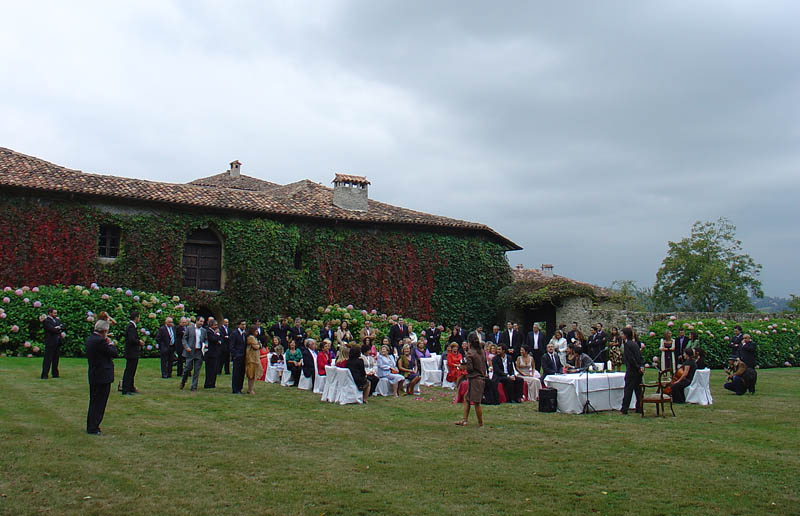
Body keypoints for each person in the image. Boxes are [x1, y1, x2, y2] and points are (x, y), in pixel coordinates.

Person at [85, 319, 117, 435]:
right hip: (102, 375)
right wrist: (110, 343)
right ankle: (94, 427)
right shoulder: (101, 342)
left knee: (94, 401)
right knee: (99, 403)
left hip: (94, 373)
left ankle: (91, 425)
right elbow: (113, 352)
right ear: (104, 330)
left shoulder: (91, 339)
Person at [456, 335, 486, 427]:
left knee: (476, 402)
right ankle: (464, 420)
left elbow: (470, 369)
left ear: (469, 343)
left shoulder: (470, 353)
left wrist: (462, 367)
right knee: (467, 398)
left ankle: (480, 424)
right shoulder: (481, 351)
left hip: (475, 378)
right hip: (481, 378)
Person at [620, 327, 644, 415]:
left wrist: (637, 367)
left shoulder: (627, 345)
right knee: (638, 390)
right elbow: (640, 356)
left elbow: (631, 358)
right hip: (638, 370)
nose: (621, 336)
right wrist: (641, 366)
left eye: (622, 334)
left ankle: (624, 408)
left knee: (628, 390)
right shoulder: (635, 344)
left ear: (626, 335)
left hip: (632, 370)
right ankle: (639, 407)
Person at [180, 316, 207, 392]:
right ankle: (183, 381)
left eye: (203, 322)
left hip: (199, 352)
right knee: (187, 368)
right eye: (200, 321)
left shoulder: (204, 331)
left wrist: (206, 345)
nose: (201, 323)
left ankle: (194, 386)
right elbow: (184, 339)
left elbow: (205, 339)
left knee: (197, 370)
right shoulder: (189, 329)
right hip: (190, 351)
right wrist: (186, 347)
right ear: (197, 321)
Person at [122, 311, 144, 395]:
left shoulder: (132, 326)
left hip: (132, 352)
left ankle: (130, 387)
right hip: (131, 353)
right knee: (129, 371)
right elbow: (131, 339)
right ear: (136, 317)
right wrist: (139, 341)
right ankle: (125, 389)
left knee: (132, 370)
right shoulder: (131, 327)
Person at [41, 307, 64, 379]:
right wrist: (57, 328)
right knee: (48, 359)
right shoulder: (46, 321)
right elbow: (51, 329)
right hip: (50, 342)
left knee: (56, 359)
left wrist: (57, 328)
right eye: (54, 313)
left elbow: (62, 326)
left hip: (57, 342)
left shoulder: (57, 320)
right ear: (50, 313)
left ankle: (55, 374)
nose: (56, 314)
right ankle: (44, 374)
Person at [243, 325, 263, 395]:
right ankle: (250, 389)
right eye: (256, 330)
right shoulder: (251, 337)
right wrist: (259, 345)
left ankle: (250, 388)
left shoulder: (254, 338)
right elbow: (256, 346)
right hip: (251, 358)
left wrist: (259, 345)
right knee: (251, 374)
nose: (257, 332)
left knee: (253, 374)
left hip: (255, 357)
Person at [204, 319, 222, 389]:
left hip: (216, 353)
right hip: (210, 353)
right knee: (210, 369)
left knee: (214, 369)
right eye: (215, 325)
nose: (216, 326)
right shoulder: (208, 332)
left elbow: (220, 340)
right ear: (211, 325)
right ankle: (208, 383)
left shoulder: (214, 332)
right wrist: (217, 335)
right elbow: (213, 339)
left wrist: (218, 339)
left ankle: (212, 383)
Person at [230, 320, 247, 394]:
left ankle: (240, 388)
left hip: (243, 356)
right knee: (236, 373)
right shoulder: (234, 334)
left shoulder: (244, 334)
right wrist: (235, 355)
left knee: (241, 373)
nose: (244, 326)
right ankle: (235, 388)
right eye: (242, 324)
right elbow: (231, 346)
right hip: (237, 356)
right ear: (239, 325)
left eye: (245, 324)